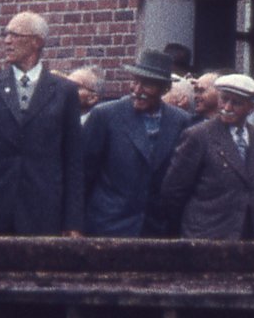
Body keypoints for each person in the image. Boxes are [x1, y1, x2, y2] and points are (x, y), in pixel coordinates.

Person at [0, 11, 84, 235]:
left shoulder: (64, 92)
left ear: (37, 41)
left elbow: (73, 161)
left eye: (15, 35)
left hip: (43, 212)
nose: (7, 41)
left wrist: (73, 221)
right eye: (5, 35)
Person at [80, 49, 190, 236]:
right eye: (135, 82)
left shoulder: (181, 121)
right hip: (107, 226)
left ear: (164, 89)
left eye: (147, 85)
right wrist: (75, 224)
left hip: (157, 230)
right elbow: (82, 173)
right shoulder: (105, 115)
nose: (137, 90)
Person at [155, 73, 254, 240]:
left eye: (236, 103)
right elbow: (172, 192)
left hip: (250, 240)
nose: (227, 107)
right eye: (224, 100)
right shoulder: (199, 136)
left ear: (251, 108)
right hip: (206, 238)